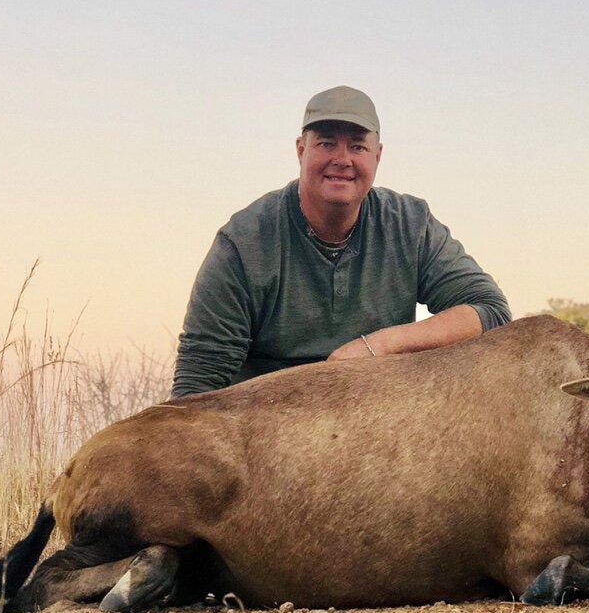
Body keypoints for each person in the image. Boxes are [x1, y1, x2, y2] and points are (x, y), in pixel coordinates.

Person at [171, 86, 511, 398]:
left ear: (377, 157)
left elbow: (491, 311)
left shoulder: (411, 223)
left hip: (378, 419)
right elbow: (198, 383)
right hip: (268, 429)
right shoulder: (243, 242)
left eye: (358, 146)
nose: (342, 159)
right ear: (301, 150)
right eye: (326, 143)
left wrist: (375, 346)